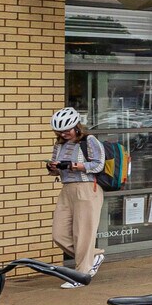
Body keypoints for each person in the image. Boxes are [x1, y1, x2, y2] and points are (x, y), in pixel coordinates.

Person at [47, 107, 106, 285]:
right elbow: (57, 169)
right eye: (60, 131)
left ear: (77, 127)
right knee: (59, 234)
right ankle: (93, 256)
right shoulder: (59, 145)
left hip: (87, 188)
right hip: (67, 189)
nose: (64, 134)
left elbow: (98, 165)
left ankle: (81, 275)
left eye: (68, 130)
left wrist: (76, 166)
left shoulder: (89, 141)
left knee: (83, 233)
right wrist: (53, 168)